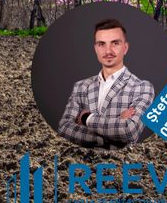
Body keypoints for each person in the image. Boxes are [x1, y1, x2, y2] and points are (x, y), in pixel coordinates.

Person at [57, 17, 155, 148]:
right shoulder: (81, 87)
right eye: (101, 44)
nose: (108, 51)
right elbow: (64, 128)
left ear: (125, 48)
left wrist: (87, 119)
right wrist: (109, 136)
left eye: (115, 43)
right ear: (95, 48)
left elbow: (129, 131)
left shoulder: (142, 87)